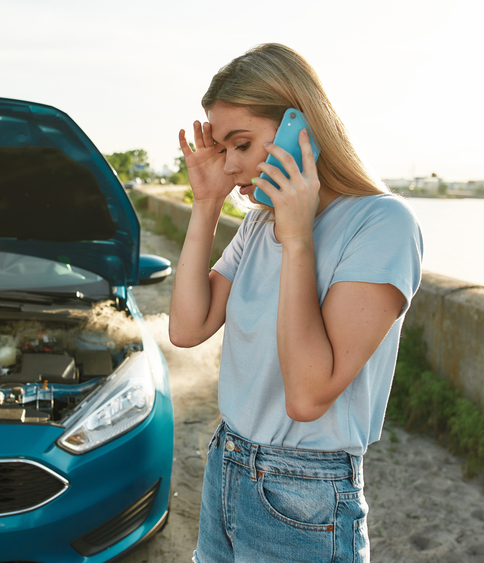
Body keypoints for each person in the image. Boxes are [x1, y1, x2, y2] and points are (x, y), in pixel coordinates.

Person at [168, 43, 423, 562]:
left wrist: (300, 240)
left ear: (298, 128)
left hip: (304, 491)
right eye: (223, 150)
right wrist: (207, 202)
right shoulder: (260, 222)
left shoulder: (382, 225)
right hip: (228, 461)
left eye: (241, 144)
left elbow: (306, 396)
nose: (232, 166)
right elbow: (187, 328)